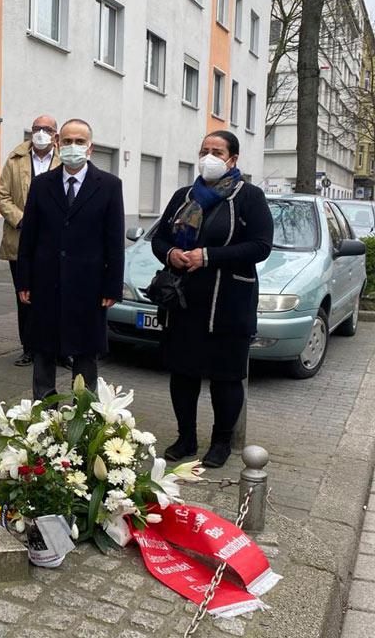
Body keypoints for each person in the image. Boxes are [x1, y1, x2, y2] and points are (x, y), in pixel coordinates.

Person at [151, 131, 272, 468]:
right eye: (204, 150)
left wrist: (208, 256)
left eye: (217, 151)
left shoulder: (248, 196)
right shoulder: (183, 196)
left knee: (226, 377)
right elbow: (159, 239)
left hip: (227, 303)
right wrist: (172, 252)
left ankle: (221, 442)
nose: (209, 156)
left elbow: (261, 246)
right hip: (184, 302)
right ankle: (185, 437)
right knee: (183, 373)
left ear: (233, 159)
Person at [16, 118, 124, 400]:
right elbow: (29, 236)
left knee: (85, 352)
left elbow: (114, 240)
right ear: (57, 144)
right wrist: (24, 280)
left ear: (90, 147)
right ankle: (43, 411)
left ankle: (84, 411)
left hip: (89, 285)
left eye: (79, 141)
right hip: (46, 281)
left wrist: (112, 286)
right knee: (43, 349)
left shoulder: (110, 185)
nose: (72, 146)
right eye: (67, 141)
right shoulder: (41, 184)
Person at [0, 115, 60, 367]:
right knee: (25, 296)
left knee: (54, 296)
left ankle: (56, 348)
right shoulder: (15, 159)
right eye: (36, 129)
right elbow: (2, 197)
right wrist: (23, 219)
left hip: (54, 242)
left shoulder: (64, 159)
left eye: (47, 129)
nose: (41, 133)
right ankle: (29, 348)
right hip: (20, 239)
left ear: (55, 135)